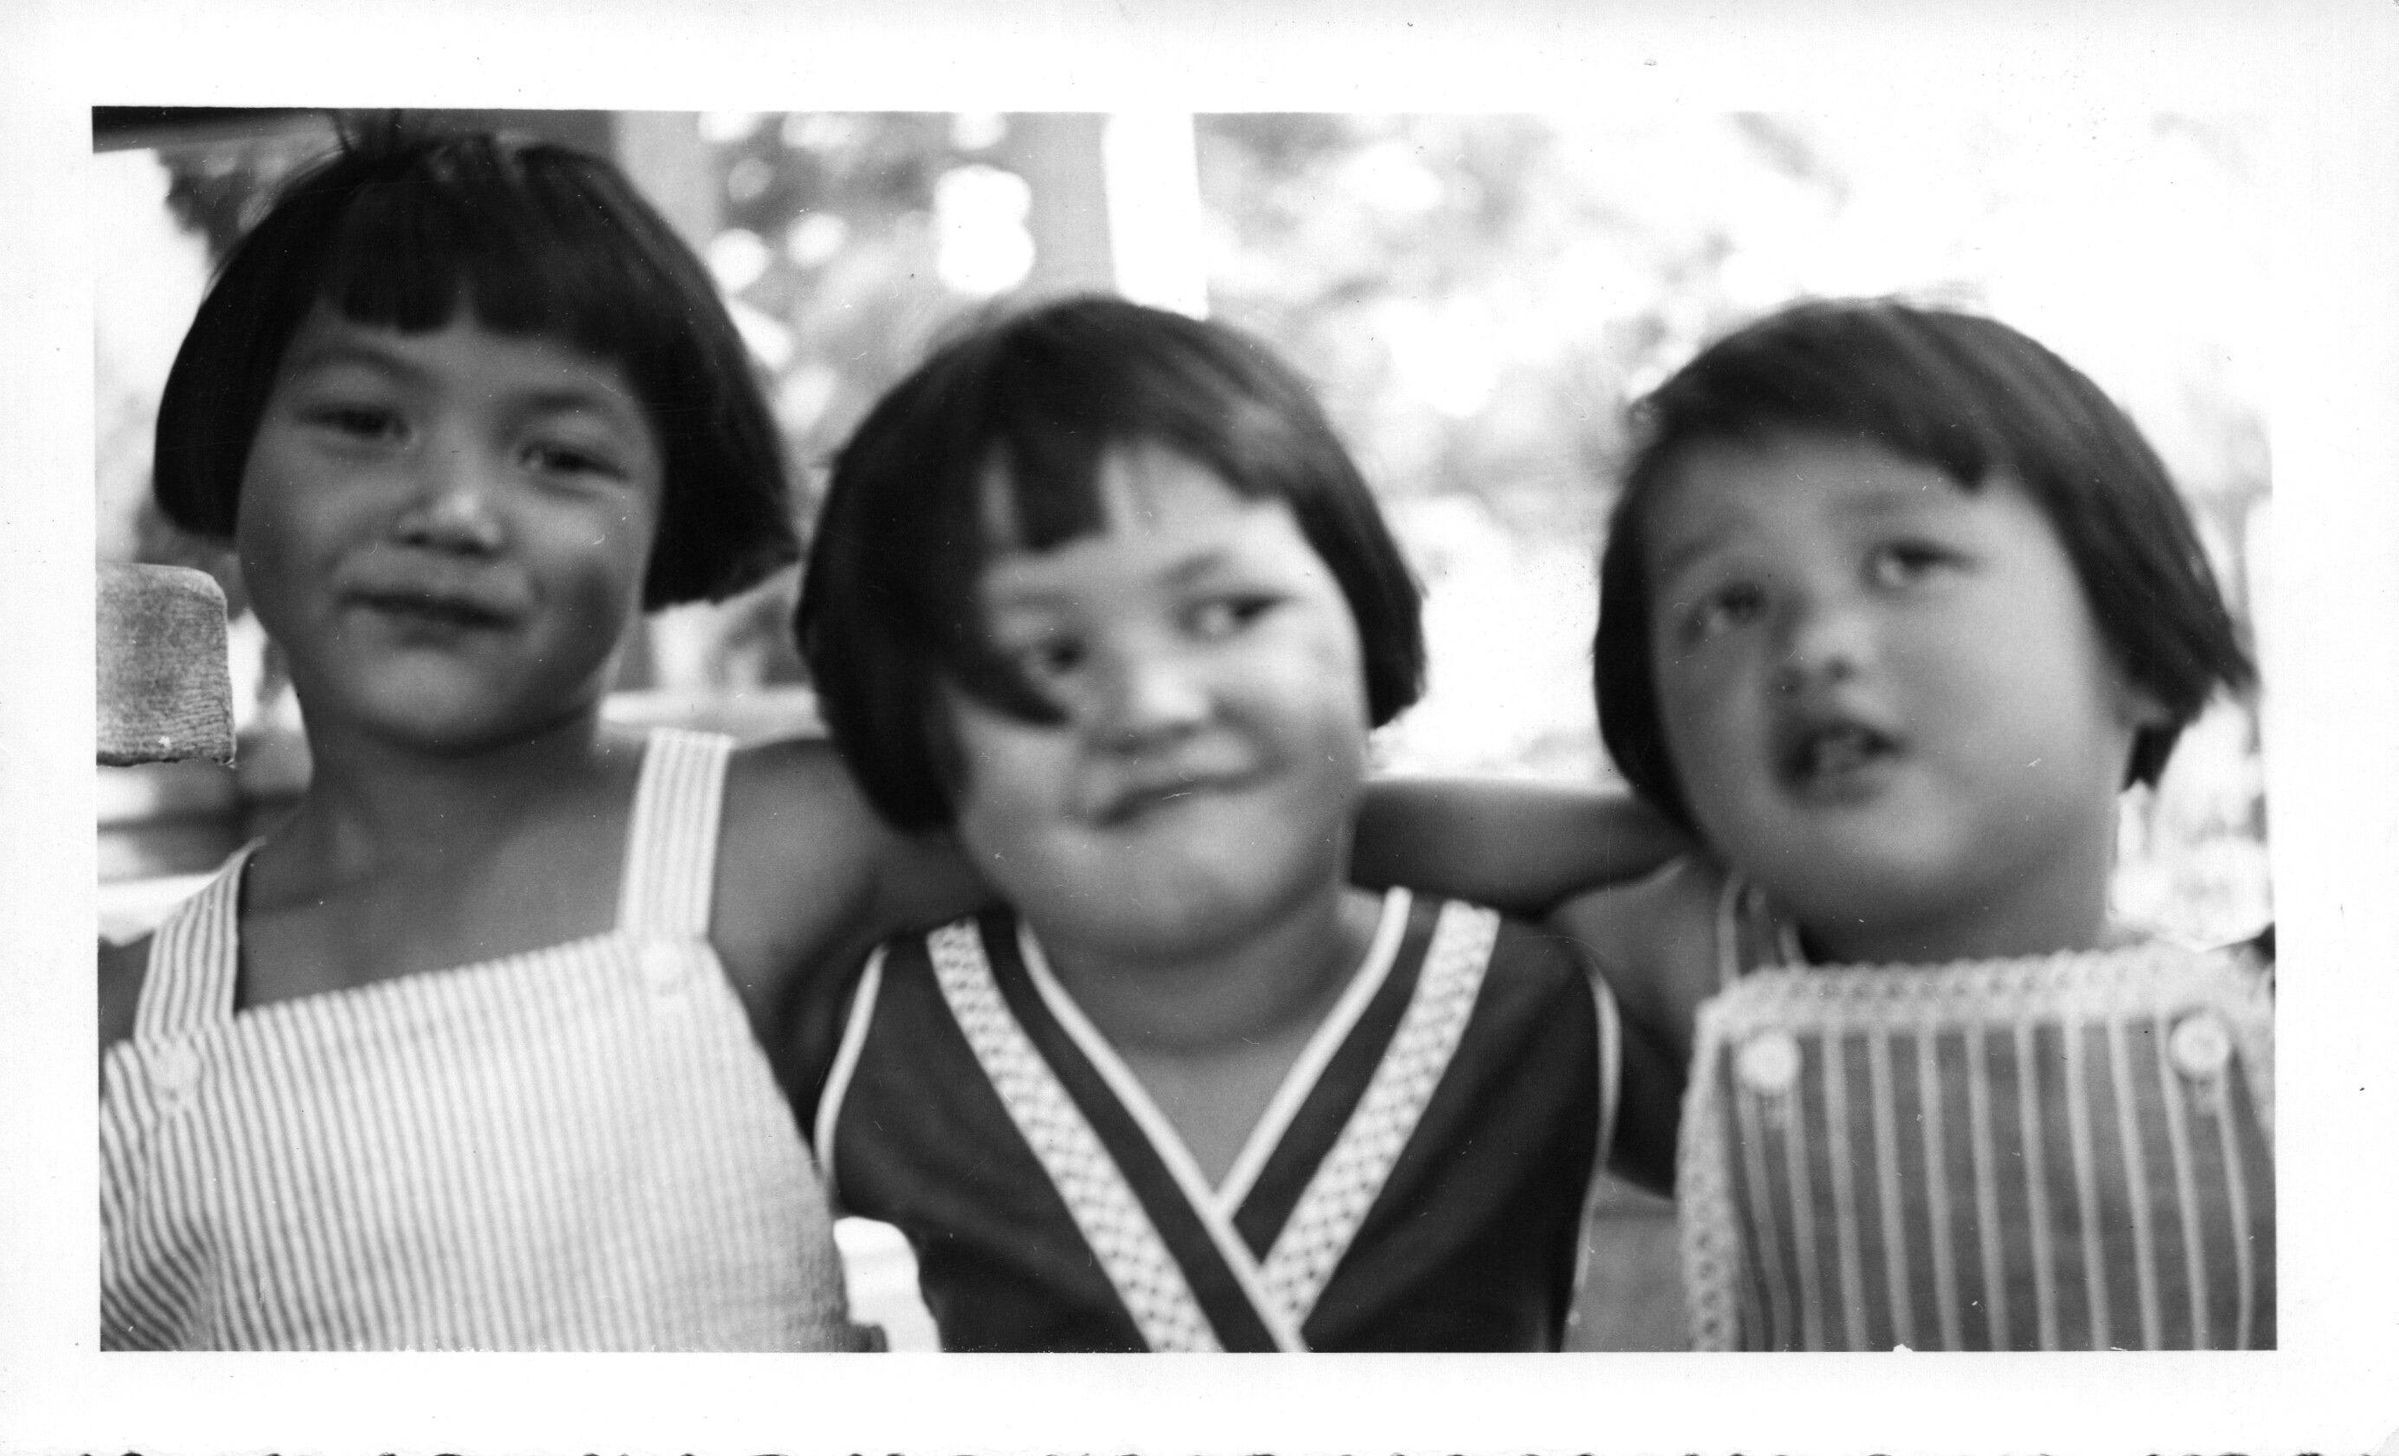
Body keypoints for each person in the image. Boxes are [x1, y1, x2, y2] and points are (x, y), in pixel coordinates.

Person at [98, 127, 1680, 1351]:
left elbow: (1235, 829)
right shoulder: (106, 1026)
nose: (452, 507)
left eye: (558, 454)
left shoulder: (778, 837)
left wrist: (1668, 831)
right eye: (364, 421)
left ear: (670, 518)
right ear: (231, 459)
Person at [788, 296, 1682, 1353]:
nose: (1152, 705)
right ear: (912, 725)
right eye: (1048, 656)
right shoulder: (863, 1039)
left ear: (1361, 604)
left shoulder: (1552, 1003)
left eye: (1227, 614)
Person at [1553, 298, 2273, 1351]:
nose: (1814, 643)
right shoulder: (1693, 980)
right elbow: (1361, 839)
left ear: (2137, 653)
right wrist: (1704, 815)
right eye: (1728, 605)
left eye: (1904, 560)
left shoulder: (2297, 1024)